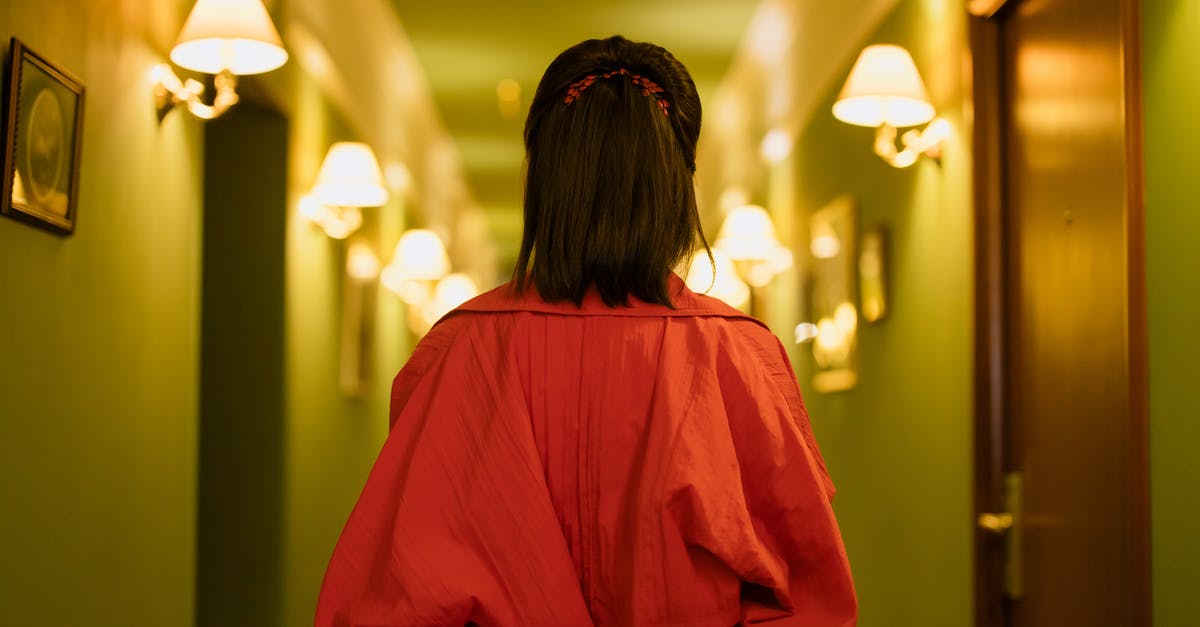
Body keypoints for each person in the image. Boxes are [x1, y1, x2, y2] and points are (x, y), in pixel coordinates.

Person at [315, 35, 857, 627]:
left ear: (544, 182)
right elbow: (808, 597)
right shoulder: (740, 355)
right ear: (676, 188)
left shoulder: (458, 350)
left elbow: (386, 597)